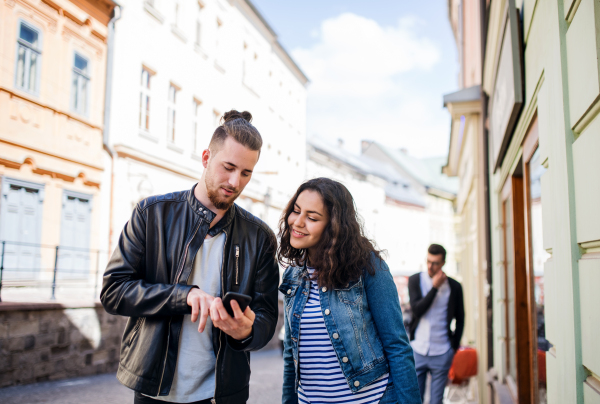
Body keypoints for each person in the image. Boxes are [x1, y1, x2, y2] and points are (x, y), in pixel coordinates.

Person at [101, 111, 279, 404]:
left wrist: (248, 330)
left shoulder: (259, 237)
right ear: (206, 157)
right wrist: (182, 296)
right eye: (229, 167)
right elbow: (114, 292)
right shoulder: (151, 214)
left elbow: (267, 318)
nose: (235, 182)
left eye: (246, 173)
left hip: (222, 394)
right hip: (154, 390)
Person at [278, 178, 421, 404]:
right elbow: (290, 355)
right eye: (296, 211)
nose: (298, 222)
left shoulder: (368, 267)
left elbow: (397, 346)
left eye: (312, 217)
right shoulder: (293, 275)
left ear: (334, 226)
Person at [408, 244, 464, 404]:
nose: (430, 266)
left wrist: (453, 347)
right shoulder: (415, 280)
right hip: (418, 349)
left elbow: (461, 318)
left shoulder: (454, 287)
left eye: (435, 263)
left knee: (436, 401)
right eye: (428, 261)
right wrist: (434, 288)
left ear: (443, 263)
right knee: (414, 399)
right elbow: (417, 310)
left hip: (442, 351)